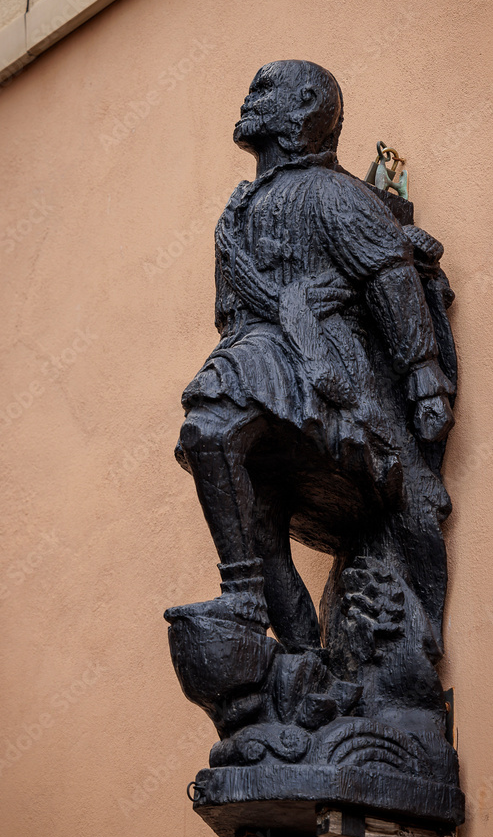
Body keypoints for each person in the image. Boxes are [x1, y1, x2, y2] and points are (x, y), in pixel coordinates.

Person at [172, 60, 455, 654]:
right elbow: (231, 314)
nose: (248, 99)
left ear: (304, 107)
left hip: (326, 369)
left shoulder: (331, 192)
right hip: (257, 354)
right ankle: (302, 651)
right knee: (253, 503)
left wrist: (424, 376)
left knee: (210, 427)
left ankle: (243, 597)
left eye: (264, 90)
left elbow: (390, 277)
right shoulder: (237, 213)